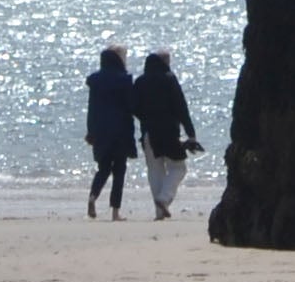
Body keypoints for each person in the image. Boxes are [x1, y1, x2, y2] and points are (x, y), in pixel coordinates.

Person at [128, 47, 204, 221]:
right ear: (165, 62)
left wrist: (145, 118)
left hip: (148, 132)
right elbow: (181, 107)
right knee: (178, 168)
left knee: (155, 170)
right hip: (169, 132)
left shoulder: (140, 81)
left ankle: (159, 211)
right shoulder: (169, 79)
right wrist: (190, 133)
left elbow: (133, 107)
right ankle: (164, 198)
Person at [81, 43, 136, 218]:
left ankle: (92, 197)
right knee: (119, 170)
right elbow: (130, 106)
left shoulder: (96, 81)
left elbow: (92, 109)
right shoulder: (124, 80)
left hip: (100, 130)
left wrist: (91, 131)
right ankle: (115, 211)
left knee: (103, 168)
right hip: (120, 130)